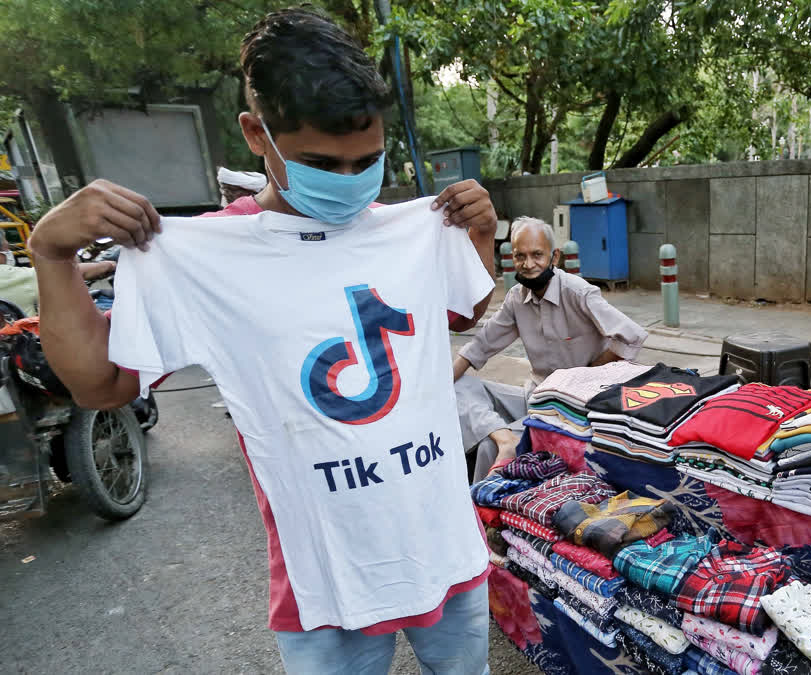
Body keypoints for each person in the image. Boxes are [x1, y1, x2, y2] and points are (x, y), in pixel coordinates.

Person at [29, 8, 499, 675]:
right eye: (321, 163)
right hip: (327, 583)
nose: (349, 180)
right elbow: (100, 384)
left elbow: (465, 311)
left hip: (446, 550)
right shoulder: (207, 255)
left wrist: (480, 235)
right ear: (257, 133)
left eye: (368, 160)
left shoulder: (414, 227)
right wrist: (50, 251)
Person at [453, 216, 647, 480]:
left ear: (554, 257)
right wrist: (438, 385)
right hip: (535, 397)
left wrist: (588, 372)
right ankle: (503, 436)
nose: (528, 264)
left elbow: (631, 336)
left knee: (486, 445)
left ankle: (484, 507)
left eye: (537, 255)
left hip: (575, 409)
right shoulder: (516, 299)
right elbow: (480, 345)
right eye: (520, 256)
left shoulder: (577, 292)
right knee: (457, 387)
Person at [0, 237, 114, 317]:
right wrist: (110, 265)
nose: (10, 252)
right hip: (26, 347)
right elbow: (72, 272)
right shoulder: (18, 276)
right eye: (7, 249)